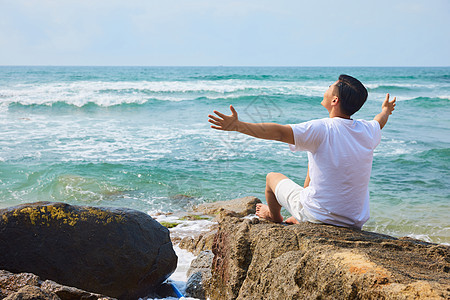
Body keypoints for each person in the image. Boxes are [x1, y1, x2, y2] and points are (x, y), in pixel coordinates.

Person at [208, 74, 396, 229]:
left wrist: (239, 126)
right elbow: (380, 120)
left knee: (271, 178)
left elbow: (279, 132)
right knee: (313, 164)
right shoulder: (367, 130)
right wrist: (386, 110)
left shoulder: (322, 128)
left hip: (320, 215)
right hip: (353, 221)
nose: (327, 88)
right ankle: (301, 217)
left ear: (334, 100)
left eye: (330, 86)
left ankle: (274, 216)